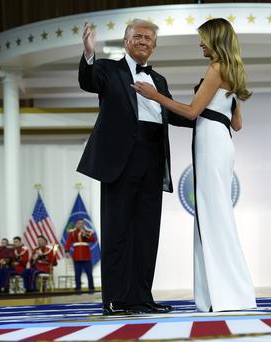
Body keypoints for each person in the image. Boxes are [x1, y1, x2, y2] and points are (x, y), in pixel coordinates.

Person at [133, 18, 256, 312]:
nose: (200, 43)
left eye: (203, 38)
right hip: (222, 141)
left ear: (214, 39)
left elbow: (191, 112)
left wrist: (155, 96)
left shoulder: (216, 68)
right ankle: (222, 294)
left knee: (213, 218)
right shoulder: (233, 71)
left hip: (211, 143)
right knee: (216, 216)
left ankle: (227, 296)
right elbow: (237, 124)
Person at [77, 19, 191, 315]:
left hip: (154, 158)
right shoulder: (108, 69)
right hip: (120, 160)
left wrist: (208, 115)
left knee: (146, 232)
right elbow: (88, 81)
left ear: (153, 46)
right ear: (126, 41)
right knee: (117, 232)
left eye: (149, 38)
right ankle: (115, 299)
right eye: (138, 36)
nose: (143, 41)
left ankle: (142, 297)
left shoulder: (160, 81)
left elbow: (175, 114)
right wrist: (89, 53)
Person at [65, 219, 96, 293]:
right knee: (77, 274)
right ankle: (78, 288)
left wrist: (85, 234)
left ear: (84, 224)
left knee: (89, 273)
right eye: (79, 223)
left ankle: (91, 288)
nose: (80, 225)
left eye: (82, 223)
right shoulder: (72, 232)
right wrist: (67, 251)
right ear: (77, 224)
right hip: (77, 256)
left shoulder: (88, 232)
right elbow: (68, 242)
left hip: (86, 256)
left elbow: (92, 240)